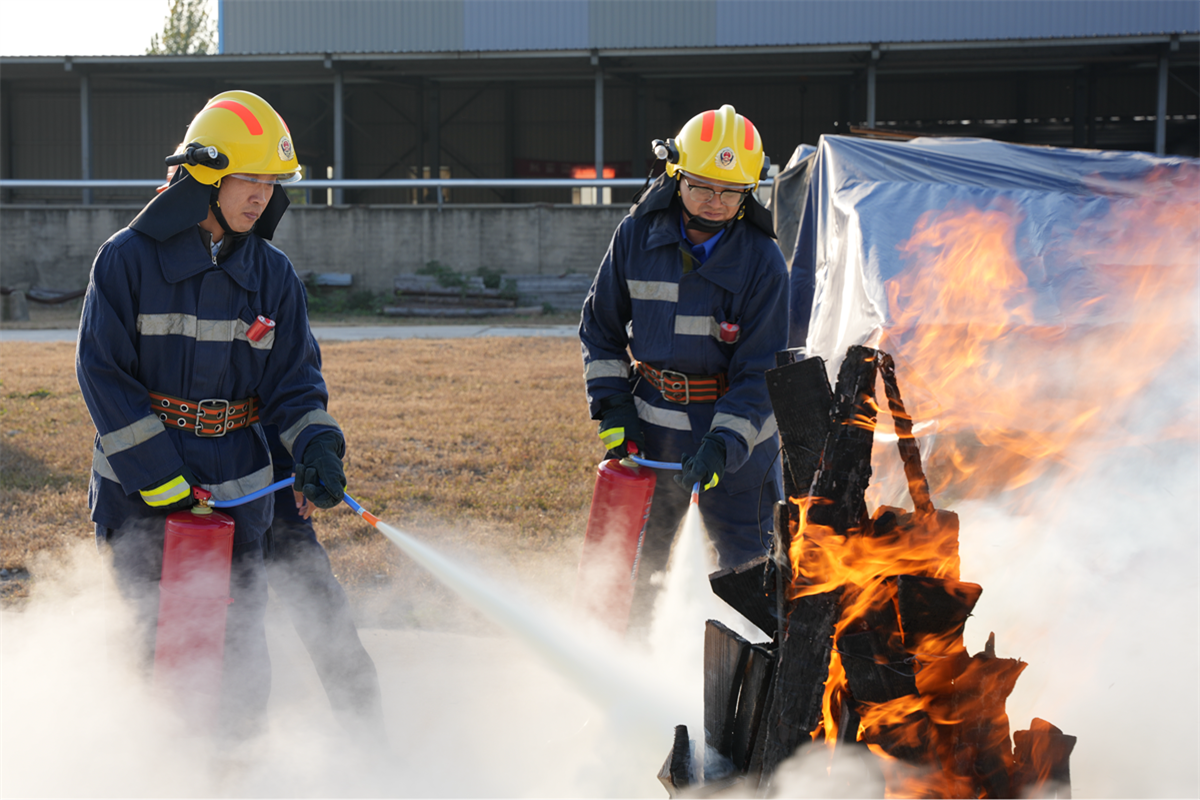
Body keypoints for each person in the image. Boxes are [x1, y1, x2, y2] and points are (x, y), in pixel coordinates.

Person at [77, 90, 347, 740]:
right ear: (204, 175)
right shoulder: (125, 260)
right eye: (247, 179)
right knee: (155, 651)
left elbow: (294, 380)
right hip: (140, 498)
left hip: (238, 496)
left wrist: (316, 445)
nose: (260, 195)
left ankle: (233, 772)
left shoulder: (275, 275)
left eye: (270, 182)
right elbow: (104, 379)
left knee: (239, 658)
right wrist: (161, 482)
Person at [579, 104, 789, 626]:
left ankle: (754, 696)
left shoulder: (763, 262)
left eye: (731, 192)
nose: (715, 203)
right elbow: (599, 328)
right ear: (675, 174)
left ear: (750, 191)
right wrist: (612, 409)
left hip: (737, 454)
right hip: (651, 439)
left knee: (755, 572)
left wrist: (724, 445)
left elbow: (761, 372)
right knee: (631, 575)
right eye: (701, 187)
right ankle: (624, 685)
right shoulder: (636, 236)